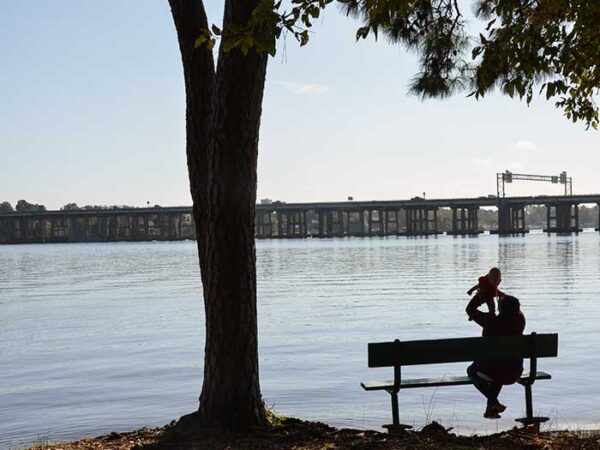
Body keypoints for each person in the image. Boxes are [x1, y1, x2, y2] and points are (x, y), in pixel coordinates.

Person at [465, 294, 525, 419]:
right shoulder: (520, 320)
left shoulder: (490, 321)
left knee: (471, 370)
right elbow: (513, 307)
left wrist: (482, 293)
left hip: (493, 372)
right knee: (501, 364)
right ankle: (490, 410)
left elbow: (469, 309)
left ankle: (493, 401)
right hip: (514, 372)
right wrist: (499, 296)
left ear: (501, 309)